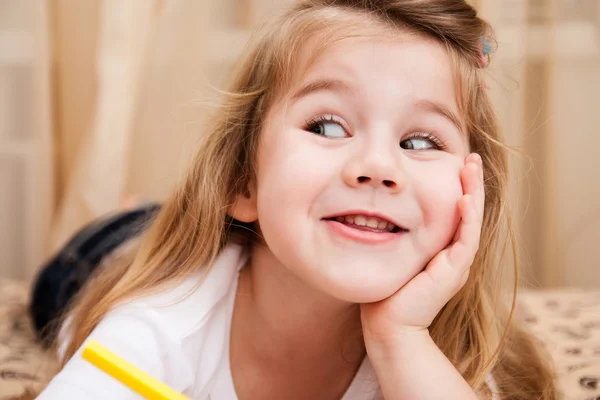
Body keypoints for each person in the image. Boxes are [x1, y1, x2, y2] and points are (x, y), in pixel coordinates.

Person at [36, 0, 556, 398]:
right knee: (103, 257)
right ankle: (132, 215)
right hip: (108, 255)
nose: (377, 168)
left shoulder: (442, 352)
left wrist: (402, 336)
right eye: (328, 126)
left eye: (420, 143)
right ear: (242, 180)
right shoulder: (161, 318)